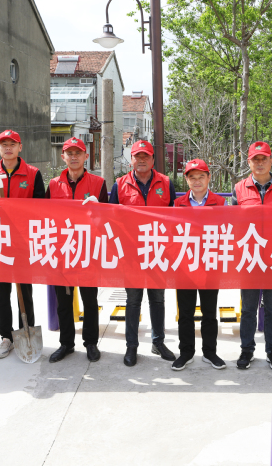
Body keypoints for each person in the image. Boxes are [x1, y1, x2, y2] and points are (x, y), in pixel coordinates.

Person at [0, 130, 46, 359]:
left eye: (12, 144)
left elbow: (41, 207)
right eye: (3, 144)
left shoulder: (33, 174)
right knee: (2, 293)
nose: (8, 148)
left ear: (20, 147)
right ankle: (6, 337)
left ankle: (26, 330)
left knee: (25, 291)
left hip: (23, 243)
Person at [108, 139, 177, 367]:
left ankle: (158, 342)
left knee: (157, 299)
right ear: (131, 160)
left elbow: (176, 216)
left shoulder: (166, 183)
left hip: (158, 251)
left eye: (146, 156)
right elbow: (111, 218)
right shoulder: (120, 184)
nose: (141, 160)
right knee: (133, 300)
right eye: (137, 156)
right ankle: (132, 346)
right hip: (131, 254)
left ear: (153, 159)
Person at [232, 141, 272, 371]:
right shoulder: (239, 188)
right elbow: (231, 223)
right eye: (255, 159)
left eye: (264, 159)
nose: (259, 163)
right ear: (249, 162)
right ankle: (247, 350)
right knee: (248, 309)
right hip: (249, 258)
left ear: (271, 161)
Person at [46, 137, 108, 363]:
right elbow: (44, 217)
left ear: (85, 156)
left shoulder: (98, 183)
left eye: (78, 153)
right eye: (69, 153)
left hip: (87, 250)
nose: (73, 157)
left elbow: (108, 218)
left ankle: (91, 343)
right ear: (63, 156)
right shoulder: (53, 184)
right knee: (63, 301)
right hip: (62, 251)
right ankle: (66, 343)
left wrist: (98, 208)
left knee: (89, 301)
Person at [171, 158, 227, 371]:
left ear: (208, 178)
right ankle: (186, 352)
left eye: (201, 177)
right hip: (185, 265)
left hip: (210, 264)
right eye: (192, 177)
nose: (197, 181)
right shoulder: (178, 203)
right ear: (186, 180)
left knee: (209, 312)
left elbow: (227, 231)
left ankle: (210, 352)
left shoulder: (220, 203)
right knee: (185, 312)